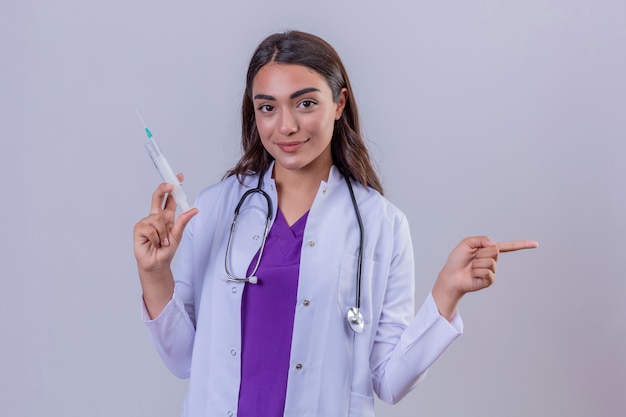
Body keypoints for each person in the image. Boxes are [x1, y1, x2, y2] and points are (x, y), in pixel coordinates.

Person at [133, 30, 538, 417]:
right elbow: (183, 358)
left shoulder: (382, 225)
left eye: (305, 103)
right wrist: (154, 273)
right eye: (267, 107)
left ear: (339, 103)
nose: (286, 126)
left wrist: (446, 293)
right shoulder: (217, 208)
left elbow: (390, 381)